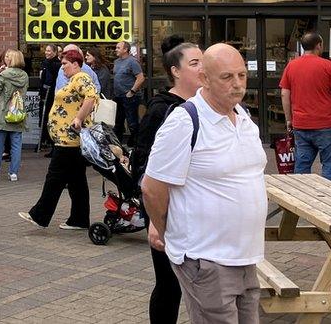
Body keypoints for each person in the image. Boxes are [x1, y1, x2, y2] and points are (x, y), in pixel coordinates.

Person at [142, 44, 266, 324]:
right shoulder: (185, 121)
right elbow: (152, 187)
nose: (237, 84)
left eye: (242, 76)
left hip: (247, 256)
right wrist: (169, 233)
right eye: (227, 77)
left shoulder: (244, 118)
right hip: (207, 260)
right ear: (205, 80)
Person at [135, 37, 203, 324]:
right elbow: (142, 165)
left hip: (200, 214)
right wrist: (154, 217)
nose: (203, 68)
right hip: (167, 216)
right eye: (195, 62)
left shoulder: (209, 107)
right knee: (169, 284)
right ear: (176, 70)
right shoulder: (162, 110)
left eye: (204, 61)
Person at [19, 49, 97, 230]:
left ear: (76, 64)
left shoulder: (81, 77)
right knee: (77, 181)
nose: (62, 68)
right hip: (69, 139)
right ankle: (79, 219)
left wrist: (78, 118)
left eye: (65, 64)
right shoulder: (74, 80)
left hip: (69, 139)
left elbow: (91, 97)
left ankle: (39, 215)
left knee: (54, 177)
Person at [280, 32, 331, 183]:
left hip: (301, 124)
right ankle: (329, 200)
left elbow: (284, 94)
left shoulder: (292, 65)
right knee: (330, 165)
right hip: (327, 124)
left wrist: (289, 119)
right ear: (319, 45)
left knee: (302, 167)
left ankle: (300, 199)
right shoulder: (327, 65)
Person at [0, 49, 29, 181]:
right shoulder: (24, 76)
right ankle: (13, 172)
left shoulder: (4, 74)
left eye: (8, 56)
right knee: (16, 145)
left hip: (2, 112)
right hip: (17, 112)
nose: (6, 58)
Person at [113, 41, 145, 146]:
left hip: (129, 97)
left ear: (125, 49)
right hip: (118, 96)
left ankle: (137, 145)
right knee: (118, 123)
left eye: (118, 47)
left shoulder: (132, 62)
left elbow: (140, 78)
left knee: (132, 123)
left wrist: (132, 91)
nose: (116, 49)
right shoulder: (117, 62)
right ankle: (118, 146)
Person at [38, 44, 60, 151]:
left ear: (55, 52)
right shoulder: (45, 63)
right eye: (46, 50)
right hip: (44, 93)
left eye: (49, 51)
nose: (47, 52)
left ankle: (52, 144)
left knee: (49, 118)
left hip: (51, 94)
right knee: (44, 118)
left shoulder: (55, 64)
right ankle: (44, 141)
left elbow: (51, 80)